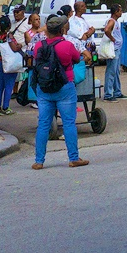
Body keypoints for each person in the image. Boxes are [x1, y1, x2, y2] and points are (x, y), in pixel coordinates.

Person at [32, 15, 91, 169]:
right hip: (65, 86)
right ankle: (73, 157)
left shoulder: (39, 45)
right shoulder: (67, 45)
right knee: (69, 123)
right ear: (62, 30)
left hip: (44, 87)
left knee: (43, 124)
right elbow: (77, 59)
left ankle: (39, 160)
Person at [101, 5, 127, 101]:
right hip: (114, 49)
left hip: (116, 49)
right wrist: (112, 39)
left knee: (116, 71)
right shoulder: (112, 21)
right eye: (120, 11)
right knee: (111, 71)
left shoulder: (116, 22)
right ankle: (108, 94)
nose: (121, 13)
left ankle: (117, 91)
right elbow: (107, 30)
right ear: (116, 12)